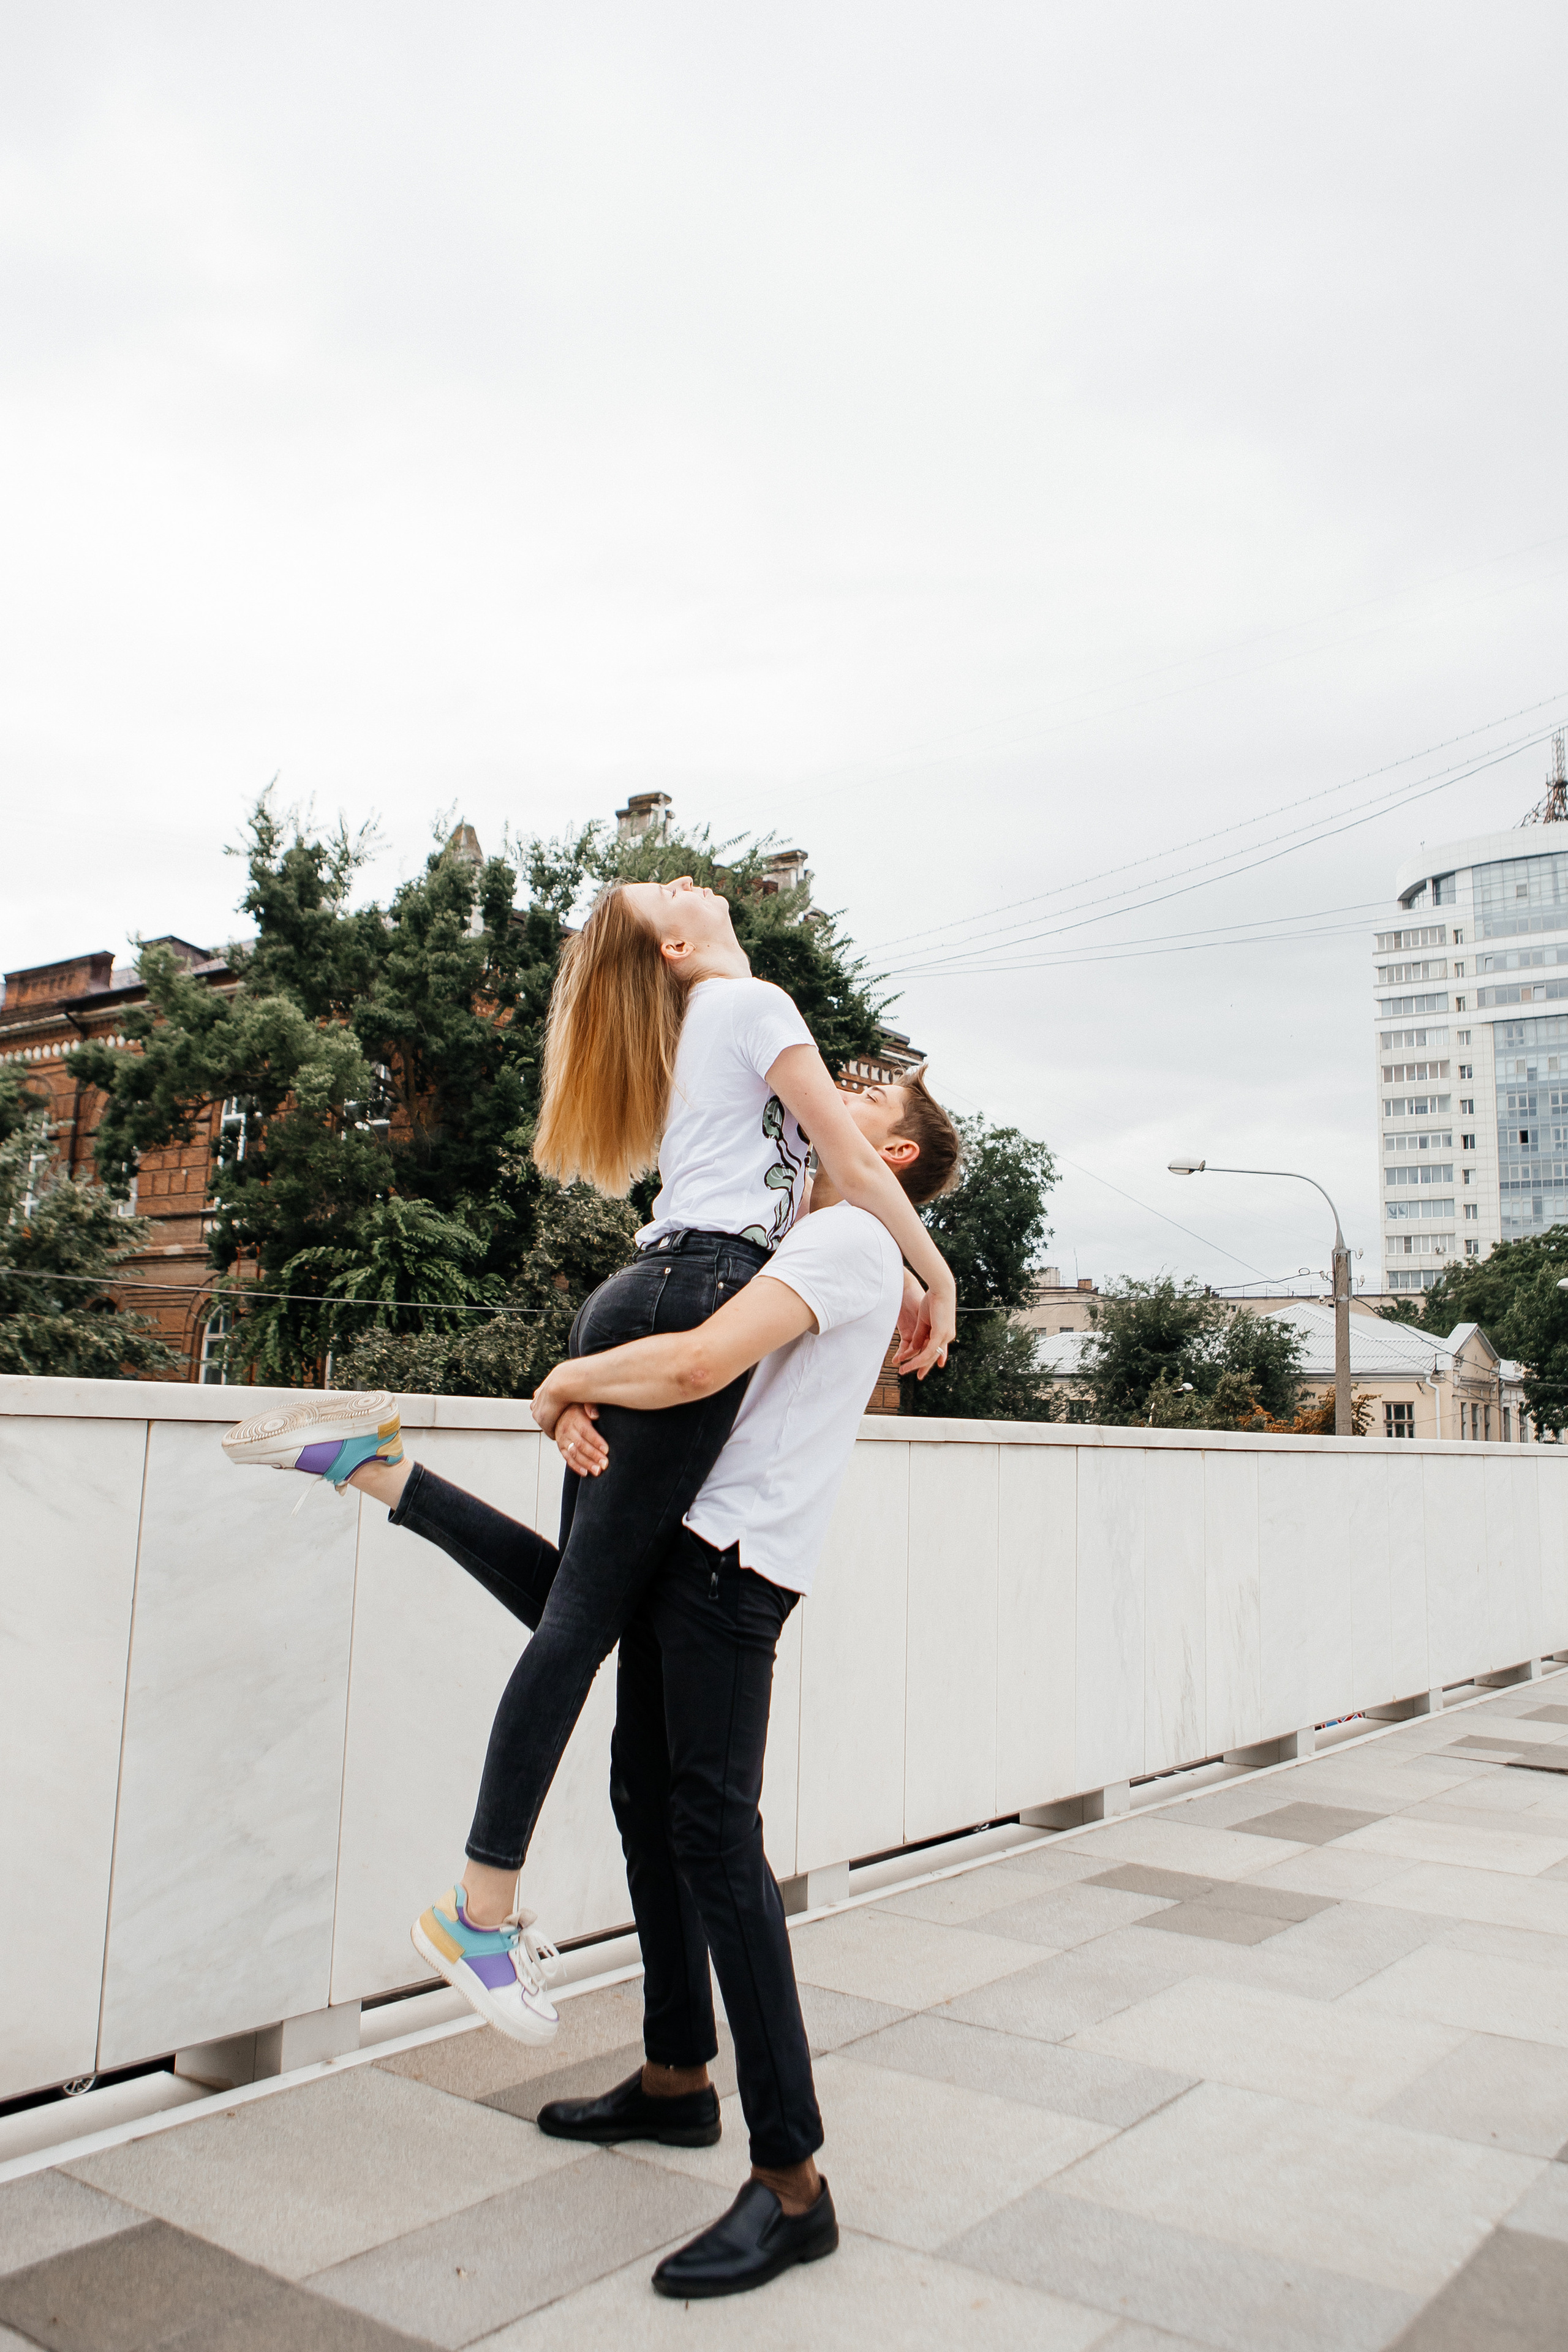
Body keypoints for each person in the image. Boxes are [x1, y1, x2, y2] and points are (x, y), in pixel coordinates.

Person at [222, 876, 957, 2048]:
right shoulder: (751, 1002)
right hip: (687, 1289)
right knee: (578, 1629)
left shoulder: (723, 1029)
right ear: (678, 941)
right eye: (673, 890)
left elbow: (851, 1170)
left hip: (653, 1287)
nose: (695, 884)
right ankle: (481, 1906)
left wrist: (584, 1371)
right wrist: (942, 1276)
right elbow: (860, 1175)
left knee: (583, 1599)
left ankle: (382, 1468)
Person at [330, 1069, 960, 2301]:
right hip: (693, 1543)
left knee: (716, 1845)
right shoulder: (813, 1233)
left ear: (884, 1146)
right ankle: (677, 2077)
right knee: (643, 1803)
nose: (827, 1087)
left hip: (733, 1574)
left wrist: (568, 1384)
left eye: (860, 1089)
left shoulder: (846, 1239)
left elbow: (695, 1364)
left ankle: (792, 2183)